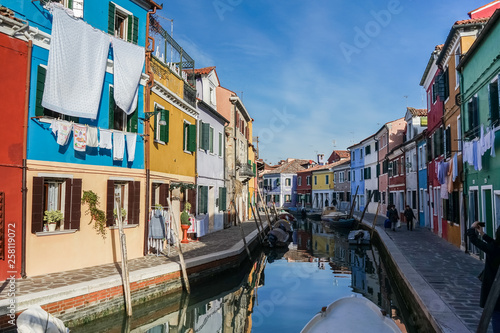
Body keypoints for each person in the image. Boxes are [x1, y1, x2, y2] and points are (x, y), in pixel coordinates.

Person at [467, 222, 500, 332]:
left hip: (494, 288)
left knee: (496, 315)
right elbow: (493, 244)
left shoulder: (494, 249)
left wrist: (472, 229)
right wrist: (483, 234)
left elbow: (474, 241)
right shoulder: (495, 247)